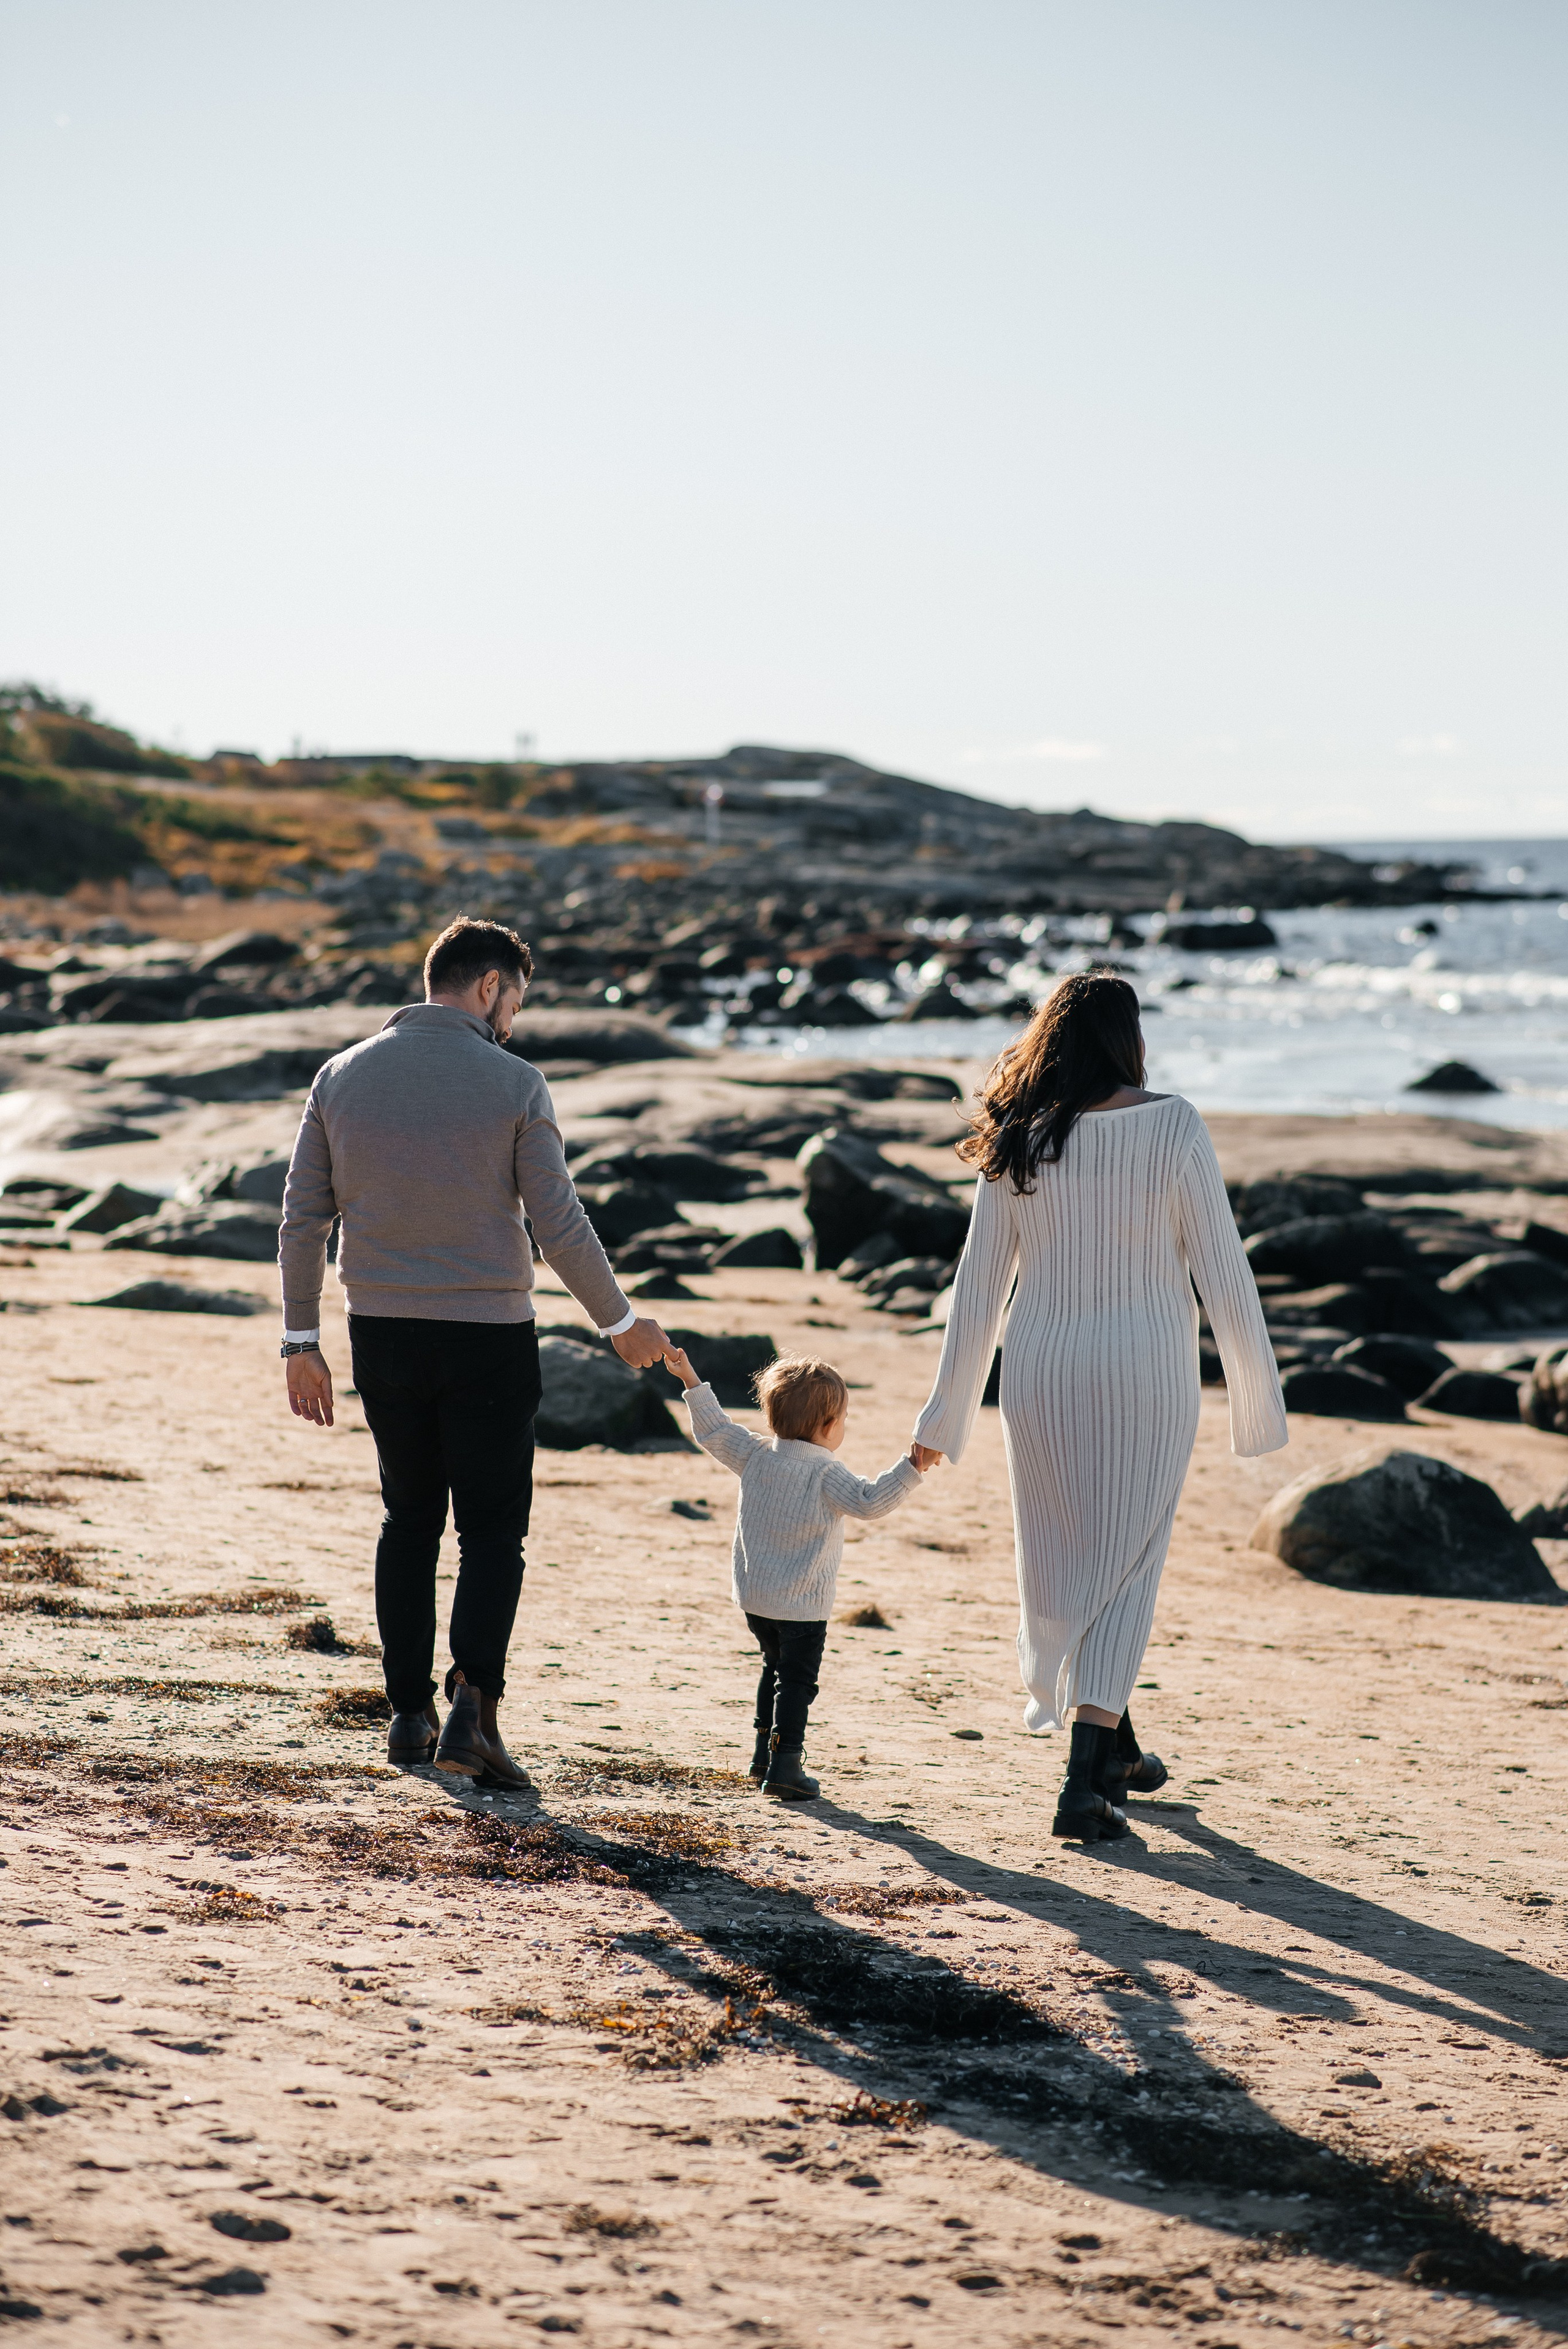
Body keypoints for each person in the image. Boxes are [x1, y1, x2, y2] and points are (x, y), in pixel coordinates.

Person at [277, 916, 669, 1787]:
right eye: (517, 998)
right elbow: (557, 1222)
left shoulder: (339, 1075)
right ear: (490, 986)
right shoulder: (516, 1081)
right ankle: (474, 1711)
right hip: (489, 1337)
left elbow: (303, 1218)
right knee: (493, 1532)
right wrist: (619, 1321)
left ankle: (410, 1717)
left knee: (407, 1520)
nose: (516, 1017)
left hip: (380, 1333)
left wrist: (300, 1339)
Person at [909, 971, 1286, 1844]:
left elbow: (976, 1291)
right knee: (1128, 1562)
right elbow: (1223, 1269)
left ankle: (1117, 1749)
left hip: (1039, 1371)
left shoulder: (1022, 1137)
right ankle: (1083, 1785)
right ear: (1129, 1038)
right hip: (1146, 1370)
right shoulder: (1173, 1123)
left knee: (1072, 1553)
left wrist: (943, 1417)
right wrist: (1257, 1401)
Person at [662, 1346, 929, 1801]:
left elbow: (713, 1429)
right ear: (828, 1427)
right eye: (843, 1419)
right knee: (797, 1682)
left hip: (756, 1599)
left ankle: (763, 1756)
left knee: (775, 1667)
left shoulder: (755, 1453)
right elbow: (870, 1501)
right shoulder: (826, 1473)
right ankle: (786, 1765)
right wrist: (912, 1467)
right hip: (802, 1605)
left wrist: (689, 1377)